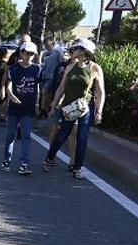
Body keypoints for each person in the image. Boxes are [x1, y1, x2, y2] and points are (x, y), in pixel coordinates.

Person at [43, 38, 106, 180]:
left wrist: (99, 111)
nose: (73, 50)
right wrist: (54, 105)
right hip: (68, 106)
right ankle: (49, 158)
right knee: (62, 135)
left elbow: (100, 91)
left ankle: (77, 167)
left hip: (85, 108)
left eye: (77, 48)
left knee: (82, 138)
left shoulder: (95, 68)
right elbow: (61, 87)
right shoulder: (70, 67)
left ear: (84, 51)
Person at [0, 40, 42, 175]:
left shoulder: (37, 69)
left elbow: (38, 88)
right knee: (11, 135)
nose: (29, 56)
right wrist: (11, 96)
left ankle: (24, 164)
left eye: (32, 54)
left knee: (26, 136)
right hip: (14, 108)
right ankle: (6, 160)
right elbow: (9, 86)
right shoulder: (14, 69)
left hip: (28, 108)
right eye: (27, 53)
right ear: (21, 53)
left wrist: (37, 104)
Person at [38, 38, 62, 116]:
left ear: (53, 44)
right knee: (44, 93)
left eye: (48, 44)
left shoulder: (57, 53)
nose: (47, 46)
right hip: (44, 76)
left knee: (45, 91)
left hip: (52, 76)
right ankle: (43, 110)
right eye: (46, 44)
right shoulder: (45, 53)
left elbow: (61, 64)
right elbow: (42, 64)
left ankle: (44, 110)